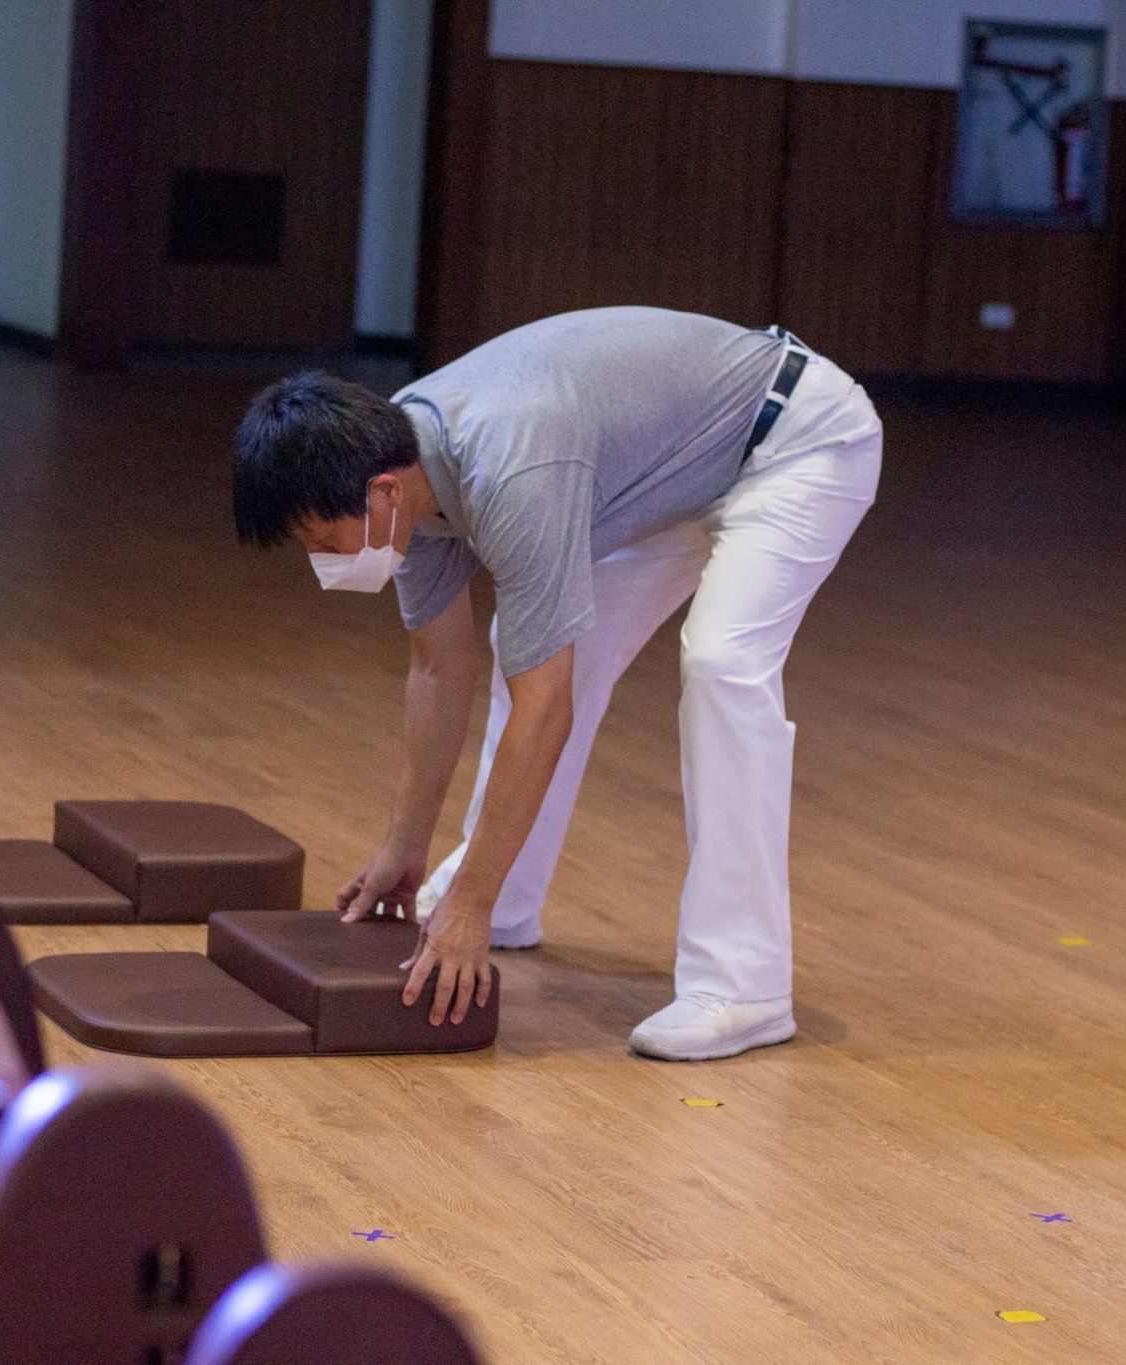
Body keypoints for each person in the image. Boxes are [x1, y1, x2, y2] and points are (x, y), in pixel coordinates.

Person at [232, 307, 881, 1060]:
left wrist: (464, 902)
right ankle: (504, 898)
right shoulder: (405, 468)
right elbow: (439, 667)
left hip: (798, 440)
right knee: (533, 638)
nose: (325, 562)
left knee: (721, 662)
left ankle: (743, 985)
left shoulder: (512, 469)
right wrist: (404, 848)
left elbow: (547, 709)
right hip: (683, 469)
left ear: (380, 495)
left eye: (323, 540)